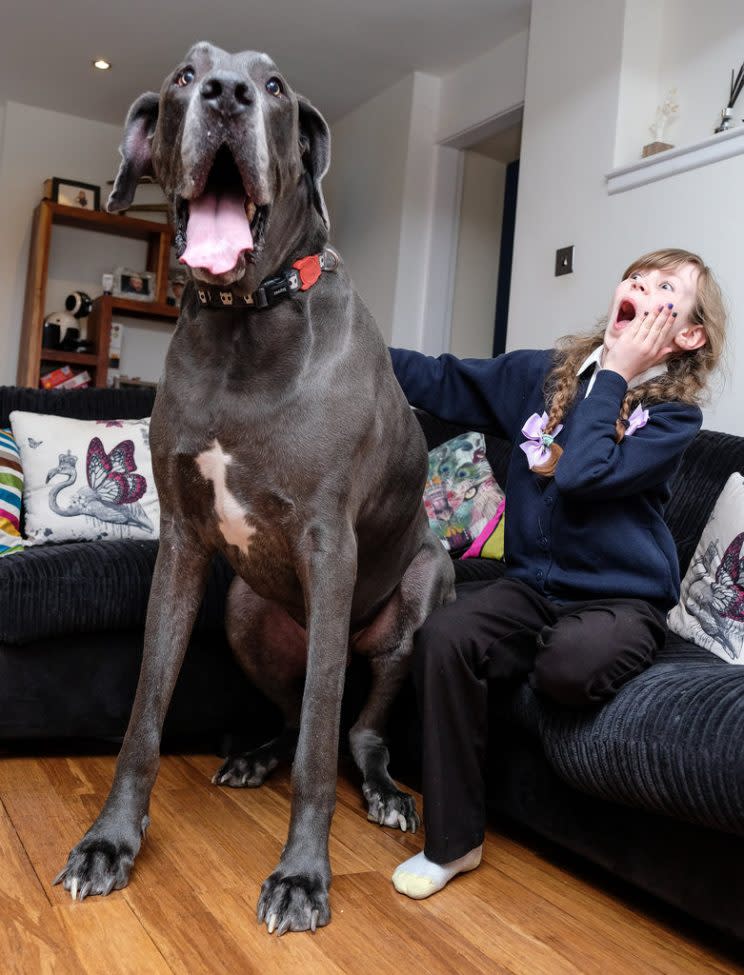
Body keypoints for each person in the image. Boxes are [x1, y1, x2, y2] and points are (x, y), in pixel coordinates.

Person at [388, 248, 727, 899]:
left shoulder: (673, 420)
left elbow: (581, 473)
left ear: (688, 335)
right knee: (445, 637)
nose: (638, 283)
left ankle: (623, 645)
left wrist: (618, 374)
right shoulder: (545, 377)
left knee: (568, 667)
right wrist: (345, 336)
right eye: (636, 273)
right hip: (531, 588)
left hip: (618, 598)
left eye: (663, 286)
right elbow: (440, 380)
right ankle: (455, 843)